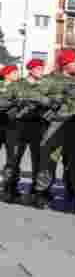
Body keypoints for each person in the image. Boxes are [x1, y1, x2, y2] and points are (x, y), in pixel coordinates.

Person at [37, 50, 75, 210]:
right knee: (49, 161)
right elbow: (36, 95)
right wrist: (52, 100)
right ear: (65, 64)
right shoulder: (50, 79)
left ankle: (74, 193)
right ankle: (42, 193)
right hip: (55, 124)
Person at [6, 59, 49, 206]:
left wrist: (45, 102)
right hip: (19, 127)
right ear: (30, 70)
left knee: (38, 161)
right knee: (14, 160)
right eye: (38, 69)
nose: (41, 71)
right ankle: (10, 188)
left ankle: (37, 192)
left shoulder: (45, 85)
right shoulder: (17, 85)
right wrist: (16, 103)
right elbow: (3, 101)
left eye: (42, 69)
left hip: (38, 127)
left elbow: (52, 101)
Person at [0, 65, 20, 200]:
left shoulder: (20, 87)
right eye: (14, 72)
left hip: (13, 127)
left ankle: (10, 186)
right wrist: (10, 102)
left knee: (12, 159)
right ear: (7, 75)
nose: (17, 74)